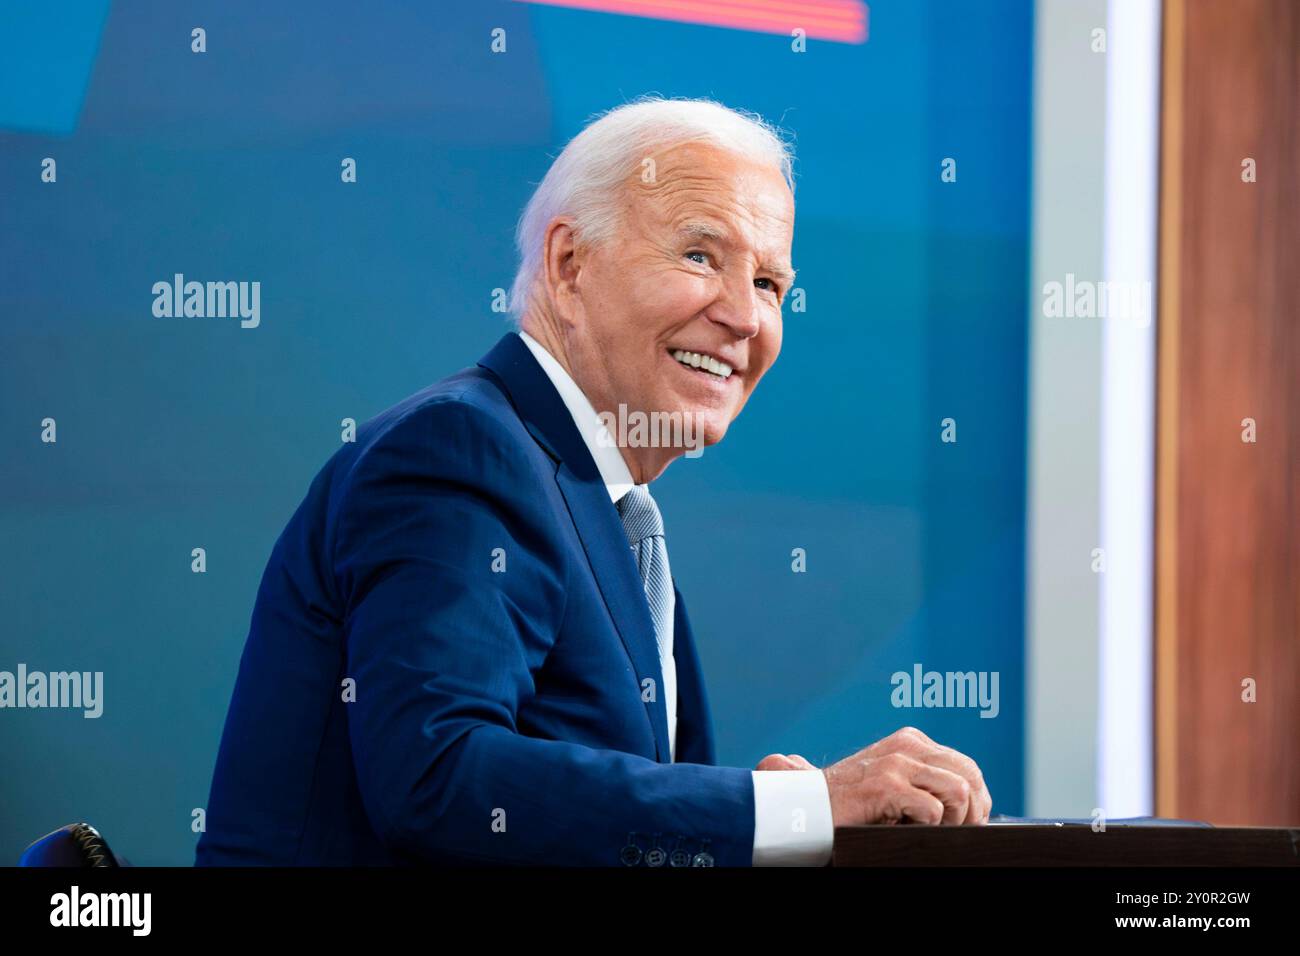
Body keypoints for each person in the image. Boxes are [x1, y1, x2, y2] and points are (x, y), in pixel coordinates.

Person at [195, 95, 991, 867]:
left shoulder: (606, 508)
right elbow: (439, 776)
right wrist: (801, 807)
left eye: (769, 285)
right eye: (700, 256)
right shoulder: (460, 450)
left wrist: (741, 809)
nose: (745, 318)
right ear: (569, 266)